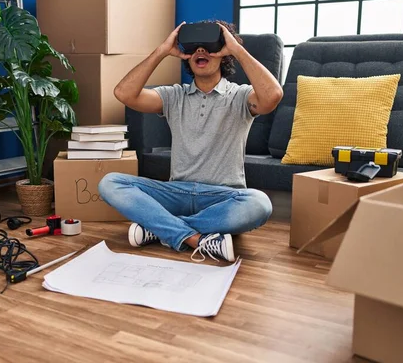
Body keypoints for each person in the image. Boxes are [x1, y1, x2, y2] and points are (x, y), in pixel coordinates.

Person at [98, 20, 283, 263]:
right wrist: (163, 50)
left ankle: (161, 228)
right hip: (177, 192)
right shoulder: (174, 96)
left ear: (223, 54)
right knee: (110, 182)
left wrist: (236, 48)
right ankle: (195, 238)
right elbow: (124, 93)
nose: (200, 51)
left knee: (259, 204)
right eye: (194, 47)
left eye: (208, 46)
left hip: (224, 196)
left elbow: (273, 96)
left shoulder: (240, 96)